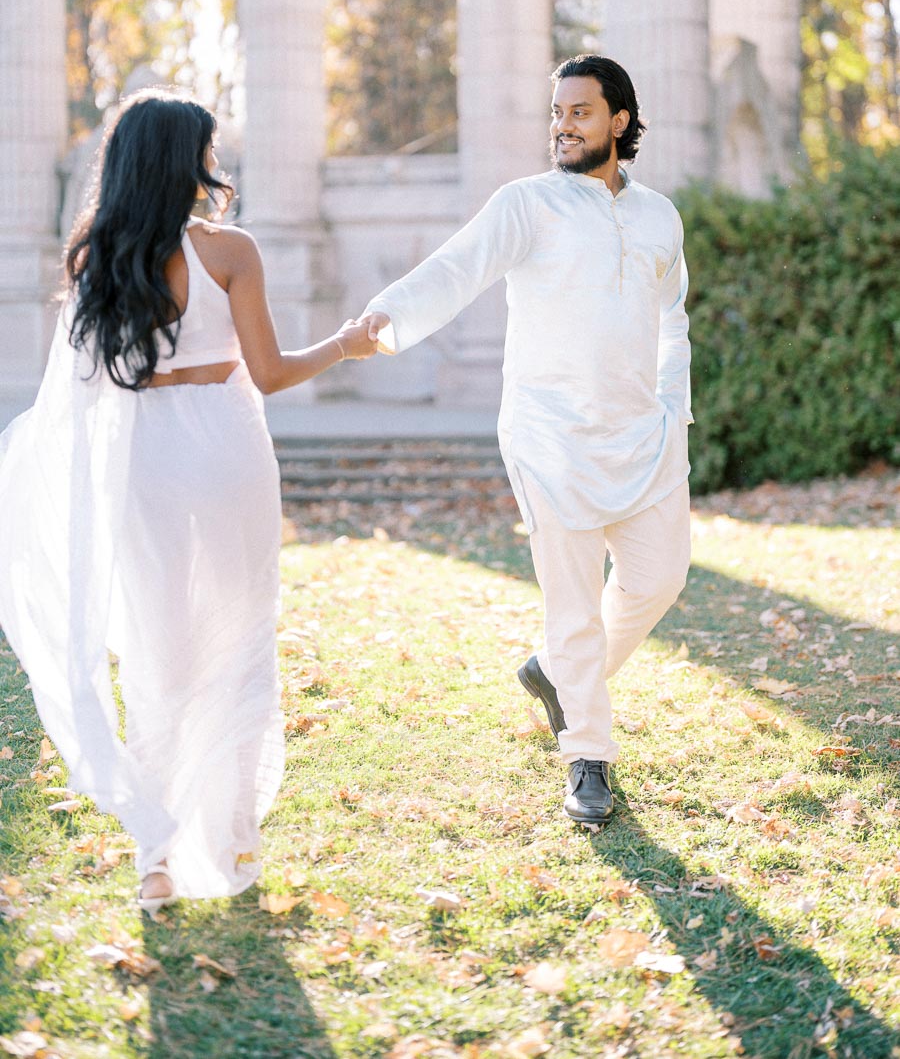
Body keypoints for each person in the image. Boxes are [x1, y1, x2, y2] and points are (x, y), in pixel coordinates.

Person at [0, 90, 377, 911]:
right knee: (238, 638)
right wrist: (345, 344)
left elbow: (87, 391)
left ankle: (156, 862)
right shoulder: (230, 250)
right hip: (229, 455)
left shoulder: (98, 259)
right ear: (188, 160)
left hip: (147, 460)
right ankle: (232, 841)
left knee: (156, 647)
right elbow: (271, 373)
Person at [361, 55, 692, 826]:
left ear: (619, 120)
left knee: (658, 579)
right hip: (549, 434)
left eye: (580, 112)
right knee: (572, 602)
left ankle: (555, 674)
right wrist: (386, 315)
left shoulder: (659, 217)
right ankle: (588, 758)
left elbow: (674, 317)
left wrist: (673, 407)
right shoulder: (526, 204)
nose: (564, 125)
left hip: (643, 434)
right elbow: (456, 267)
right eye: (557, 113)